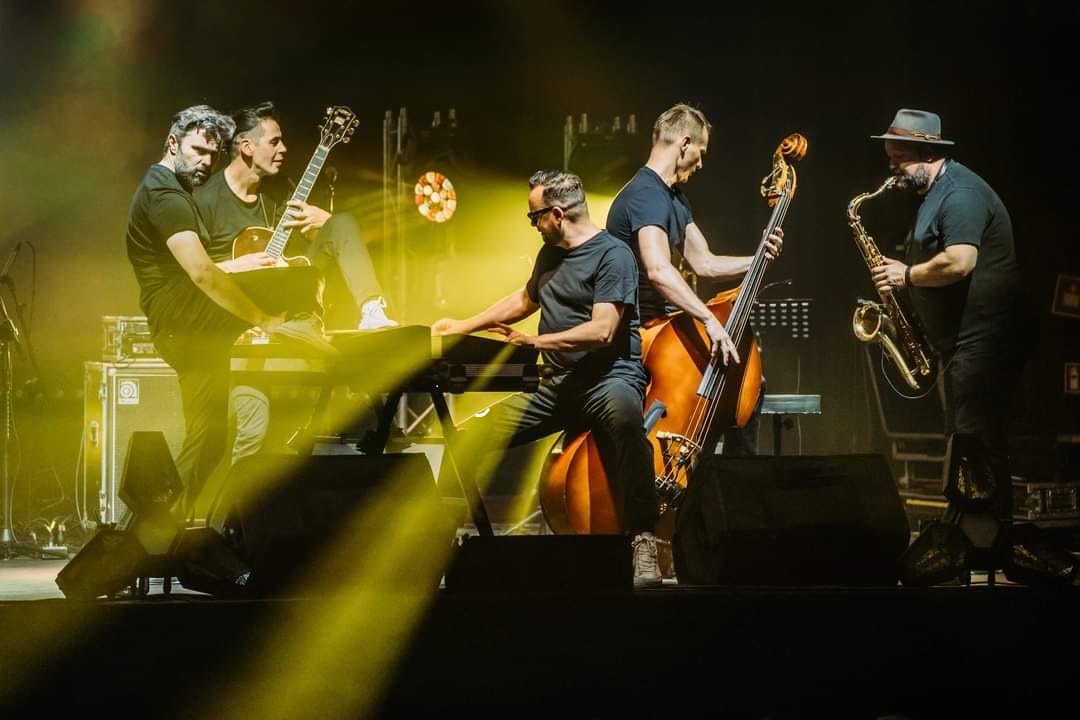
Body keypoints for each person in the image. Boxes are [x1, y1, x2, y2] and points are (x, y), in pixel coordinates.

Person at [432, 170, 662, 587]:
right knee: (467, 438)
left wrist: (535, 341)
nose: (533, 224)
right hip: (559, 383)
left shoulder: (614, 255)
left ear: (557, 214)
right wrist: (464, 325)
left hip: (609, 378)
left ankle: (643, 540)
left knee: (629, 424)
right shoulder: (550, 255)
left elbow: (603, 330)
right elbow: (525, 299)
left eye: (534, 216)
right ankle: (445, 541)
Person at [193, 101, 396, 463]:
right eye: (274, 141)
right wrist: (236, 265)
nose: (284, 149)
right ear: (246, 146)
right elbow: (183, 274)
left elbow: (309, 257)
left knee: (343, 223)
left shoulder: (278, 199)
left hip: (292, 314)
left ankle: (372, 309)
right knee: (252, 434)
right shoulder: (204, 201)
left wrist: (324, 223)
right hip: (241, 323)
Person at [125, 105, 286, 518]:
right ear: (173, 143)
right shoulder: (166, 196)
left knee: (209, 437)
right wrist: (261, 319)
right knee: (203, 439)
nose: (205, 162)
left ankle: (162, 529)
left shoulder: (170, 188)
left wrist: (236, 267)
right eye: (198, 150)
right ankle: (147, 532)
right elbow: (200, 274)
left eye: (213, 155)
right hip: (182, 321)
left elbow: (193, 268)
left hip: (183, 318)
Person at [869, 108, 1029, 522]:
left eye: (899, 158)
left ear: (927, 154)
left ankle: (985, 539)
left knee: (978, 443)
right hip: (959, 343)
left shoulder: (960, 193)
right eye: (889, 158)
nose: (892, 168)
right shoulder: (932, 195)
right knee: (966, 440)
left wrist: (906, 275)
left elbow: (960, 262)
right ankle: (971, 535)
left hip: (983, 342)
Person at [605, 103, 783, 454]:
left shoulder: (673, 198)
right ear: (684, 143)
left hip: (661, 324)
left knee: (746, 379)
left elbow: (705, 263)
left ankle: (724, 473)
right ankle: (715, 471)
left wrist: (758, 257)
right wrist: (708, 320)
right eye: (701, 153)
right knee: (732, 372)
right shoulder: (645, 194)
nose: (700, 164)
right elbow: (658, 270)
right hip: (637, 331)